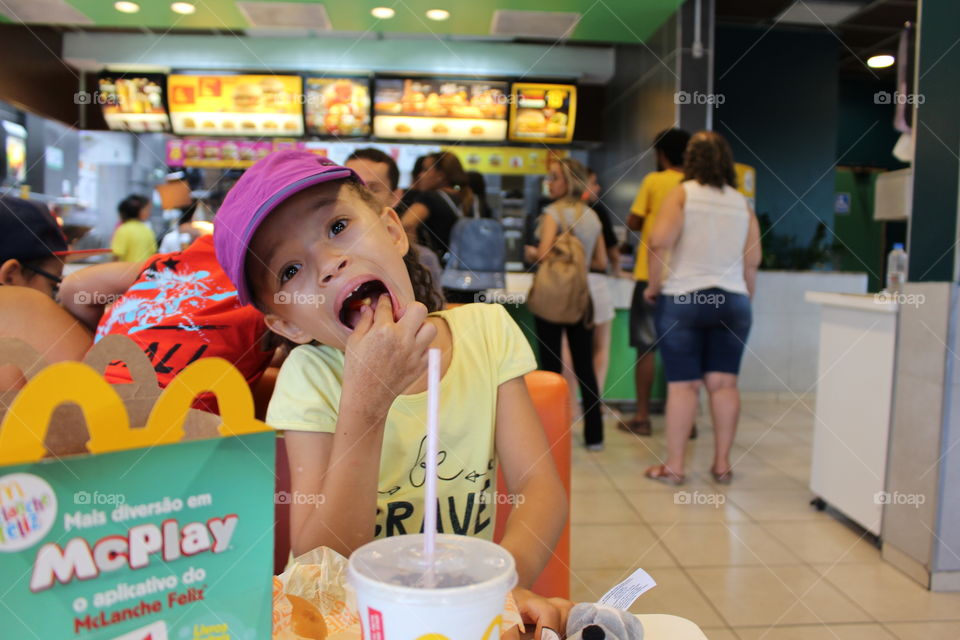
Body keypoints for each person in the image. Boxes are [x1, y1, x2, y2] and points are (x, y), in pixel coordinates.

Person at [213, 151, 571, 634]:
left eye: (338, 226)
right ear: (286, 325)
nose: (328, 264)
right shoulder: (310, 378)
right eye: (290, 271)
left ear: (392, 231)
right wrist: (367, 401)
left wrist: (497, 591)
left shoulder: (487, 332)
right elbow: (322, 562)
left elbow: (540, 489)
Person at [643, 131, 761, 485]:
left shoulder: (682, 194)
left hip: (684, 298)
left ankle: (675, 467)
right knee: (724, 384)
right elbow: (752, 261)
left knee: (684, 386)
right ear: (727, 162)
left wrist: (653, 286)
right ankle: (722, 464)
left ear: (691, 160)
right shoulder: (742, 203)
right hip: (733, 300)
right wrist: (744, 299)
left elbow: (659, 242)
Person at [61, 231, 274, 416]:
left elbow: (76, 288)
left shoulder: (176, 262)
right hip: (170, 431)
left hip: (80, 402)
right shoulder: (276, 288)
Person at [525, 158, 607, 450]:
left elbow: (544, 254)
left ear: (568, 181)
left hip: (553, 297)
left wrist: (533, 251)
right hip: (581, 299)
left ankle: (552, 432)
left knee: (551, 367)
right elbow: (601, 262)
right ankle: (595, 436)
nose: (551, 182)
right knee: (584, 366)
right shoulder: (592, 216)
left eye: (556, 177)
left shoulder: (552, 213)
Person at [622, 128, 691, 436]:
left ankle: (642, 418)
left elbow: (633, 221)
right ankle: (686, 423)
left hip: (649, 276)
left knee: (646, 349)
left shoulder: (654, 181)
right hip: (686, 280)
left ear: (662, 154)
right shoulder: (694, 186)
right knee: (685, 350)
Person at [0, 196, 93, 390]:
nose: (57, 300)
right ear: (10, 276)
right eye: (53, 285)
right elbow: (90, 395)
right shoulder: (23, 305)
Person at [344, 148, 444, 300]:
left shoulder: (423, 261)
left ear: (395, 197)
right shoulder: (325, 259)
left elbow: (434, 315)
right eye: (352, 187)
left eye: (373, 189)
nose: (359, 198)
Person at [401, 151, 475, 265]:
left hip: (438, 268)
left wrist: (415, 256)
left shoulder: (430, 198)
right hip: (464, 266)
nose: (420, 175)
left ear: (440, 175)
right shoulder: (468, 198)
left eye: (425, 170)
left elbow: (406, 224)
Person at [111, 194, 157, 263]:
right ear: (139, 211)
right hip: (144, 272)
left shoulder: (123, 229)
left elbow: (117, 256)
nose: (149, 213)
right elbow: (153, 254)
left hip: (126, 272)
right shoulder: (147, 230)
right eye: (147, 209)